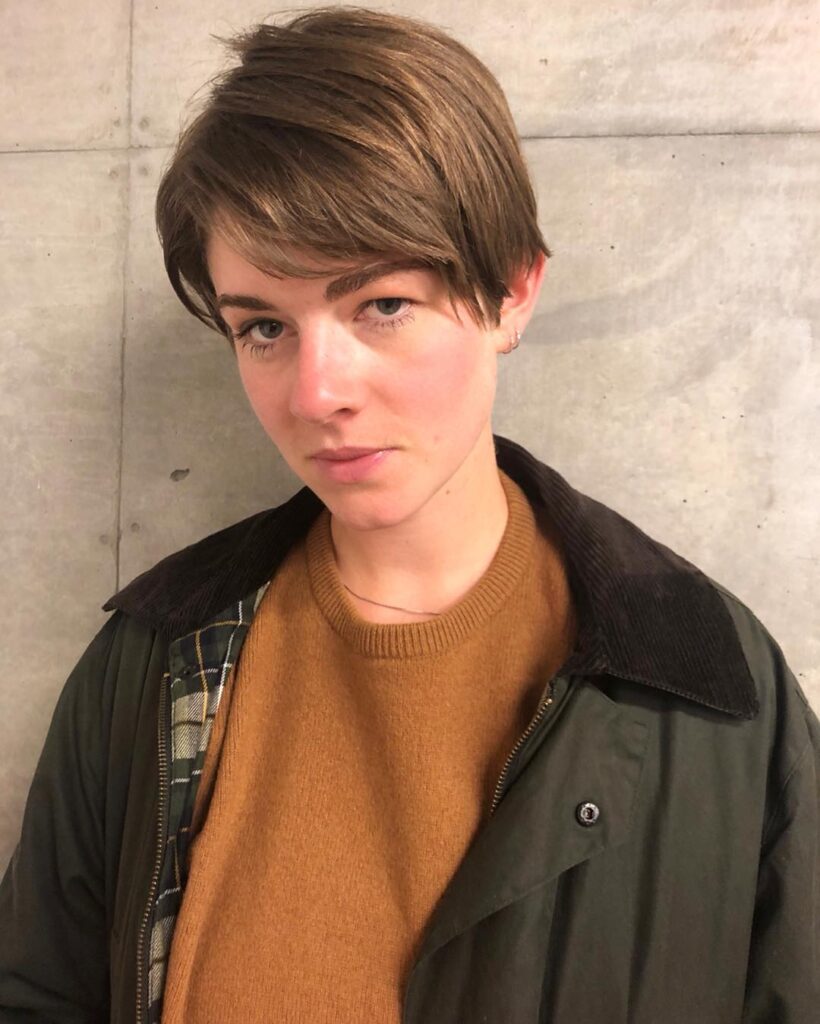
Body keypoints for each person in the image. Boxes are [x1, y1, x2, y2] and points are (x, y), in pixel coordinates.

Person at [0, 6, 817, 1023]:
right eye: (262, 326)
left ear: (512, 289)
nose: (315, 392)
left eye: (381, 304)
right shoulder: (151, 664)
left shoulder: (710, 692)